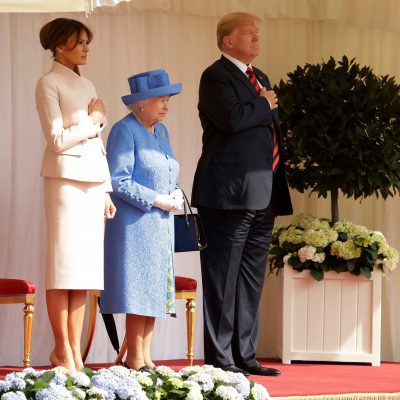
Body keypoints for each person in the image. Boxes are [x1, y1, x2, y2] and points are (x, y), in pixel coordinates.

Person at [191, 12, 293, 376]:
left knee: (250, 278)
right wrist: (264, 104)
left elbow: (270, 131)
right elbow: (232, 119)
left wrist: (263, 103)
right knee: (223, 275)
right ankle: (220, 358)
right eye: (248, 33)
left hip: (263, 192)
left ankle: (245, 354)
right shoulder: (215, 75)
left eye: (257, 33)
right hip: (226, 194)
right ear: (227, 41)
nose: (255, 38)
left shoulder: (260, 77)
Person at [35, 18, 116, 374]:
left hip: (93, 183)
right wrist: (94, 118)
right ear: (58, 45)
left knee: (84, 273)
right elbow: (56, 139)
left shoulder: (89, 82)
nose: (86, 47)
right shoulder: (48, 83)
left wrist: (107, 189)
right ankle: (62, 350)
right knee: (62, 269)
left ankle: (75, 354)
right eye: (79, 41)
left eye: (87, 41)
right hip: (65, 182)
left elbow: (96, 144)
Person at [100, 70, 183, 371]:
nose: (166, 106)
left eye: (167, 100)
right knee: (137, 290)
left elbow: (169, 171)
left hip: (160, 226)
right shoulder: (125, 130)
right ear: (140, 103)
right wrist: (157, 199)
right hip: (134, 226)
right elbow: (118, 180)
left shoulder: (160, 132)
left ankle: (147, 356)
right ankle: (135, 358)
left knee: (155, 290)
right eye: (160, 100)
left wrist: (174, 193)